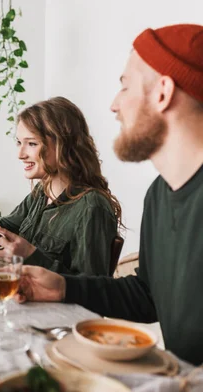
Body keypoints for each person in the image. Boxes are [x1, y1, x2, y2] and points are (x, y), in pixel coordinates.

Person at [15, 24, 203, 365]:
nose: (114, 105)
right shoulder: (159, 196)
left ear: (163, 92)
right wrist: (64, 287)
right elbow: (147, 296)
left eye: (125, 87)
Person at [0, 97, 122, 276]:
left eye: (32, 143)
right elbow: (7, 234)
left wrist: (31, 257)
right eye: (19, 142)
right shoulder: (41, 193)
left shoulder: (92, 207)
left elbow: (93, 289)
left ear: (64, 146)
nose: (20, 154)